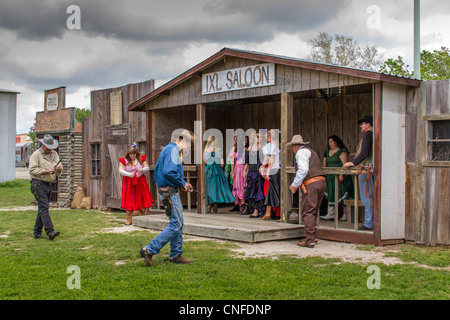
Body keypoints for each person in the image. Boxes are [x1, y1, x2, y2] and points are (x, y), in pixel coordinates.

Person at [140, 130, 194, 267]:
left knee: (177, 223)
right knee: (175, 224)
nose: (188, 148)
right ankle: (150, 249)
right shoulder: (173, 150)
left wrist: (182, 185)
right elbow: (169, 172)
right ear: (182, 140)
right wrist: (183, 183)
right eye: (189, 144)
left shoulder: (168, 149)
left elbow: (165, 174)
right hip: (169, 193)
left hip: (168, 191)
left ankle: (176, 255)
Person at [287, 135, 326, 248]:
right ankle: (312, 237)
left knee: (308, 212)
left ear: (294, 147)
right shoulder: (310, 151)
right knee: (313, 211)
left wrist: (294, 185)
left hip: (312, 184)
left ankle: (310, 240)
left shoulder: (301, 153)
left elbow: (303, 170)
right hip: (320, 182)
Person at [29, 134, 62, 240]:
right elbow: (32, 170)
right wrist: (46, 171)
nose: (49, 150)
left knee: (42, 209)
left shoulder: (54, 154)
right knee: (44, 207)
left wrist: (58, 169)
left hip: (49, 184)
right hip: (38, 184)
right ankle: (50, 231)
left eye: (51, 147)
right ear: (43, 145)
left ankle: (37, 232)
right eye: (48, 147)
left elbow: (60, 168)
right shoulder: (36, 155)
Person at [343, 115, 374, 230]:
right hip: (368, 168)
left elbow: (364, 152)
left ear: (368, 125)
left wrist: (353, 162)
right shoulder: (372, 135)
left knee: (367, 196)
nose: (361, 126)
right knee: (369, 196)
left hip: (366, 169)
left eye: (362, 124)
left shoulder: (368, 134)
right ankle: (370, 222)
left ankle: (369, 223)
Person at [118, 143, 154, 225]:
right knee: (129, 198)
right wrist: (129, 174)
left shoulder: (141, 159)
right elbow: (120, 170)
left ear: (136, 153)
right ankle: (129, 218)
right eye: (131, 154)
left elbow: (147, 168)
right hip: (128, 182)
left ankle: (142, 216)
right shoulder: (124, 161)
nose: (132, 156)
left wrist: (142, 169)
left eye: (134, 154)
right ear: (128, 154)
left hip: (140, 181)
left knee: (140, 197)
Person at [321, 135, 354, 221]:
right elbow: (324, 164)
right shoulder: (327, 152)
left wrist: (341, 174)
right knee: (331, 193)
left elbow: (345, 164)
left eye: (331, 142)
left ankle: (346, 214)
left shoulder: (342, 151)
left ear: (336, 142)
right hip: (330, 176)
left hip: (340, 175)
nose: (330, 144)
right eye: (329, 142)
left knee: (342, 192)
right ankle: (331, 213)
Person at [204, 136, 235, 212]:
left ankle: (209, 205)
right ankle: (215, 203)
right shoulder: (219, 150)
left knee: (208, 187)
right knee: (218, 187)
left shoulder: (206, 149)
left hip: (209, 170)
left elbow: (205, 160)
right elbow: (222, 163)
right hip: (217, 170)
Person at [245, 131, 266, 218]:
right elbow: (247, 161)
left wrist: (262, 166)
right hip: (251, 170)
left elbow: (266, 158)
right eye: (257, 136)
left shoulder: (263, 147)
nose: (258, 138)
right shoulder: (250, 148)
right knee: (252, 190)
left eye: (260, 136)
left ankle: (258, 211)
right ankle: (254, 209)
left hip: (258, 170)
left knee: (258, 190)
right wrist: (244, 170)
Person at [261, 129, 281, 220]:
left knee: (274, 191)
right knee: (271, 191)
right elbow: (267, 158)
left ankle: (276, 213)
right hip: (277, 169)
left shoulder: (273, 145)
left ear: (269, 137)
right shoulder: (276, 144)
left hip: (275, 169)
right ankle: (269, 213)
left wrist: (268, 172)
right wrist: (261, 166)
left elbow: (271, 160)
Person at [230, 135, 249, 214]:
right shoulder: (234, 149)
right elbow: (232, 162)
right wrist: (232, 172)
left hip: (244, 168)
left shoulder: (247, 149)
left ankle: (245, 206)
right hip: (237, 169)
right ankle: (241, 206)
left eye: (246, 141)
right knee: (238, 187)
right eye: (243, 140)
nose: (245, 142)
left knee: (244, 187)